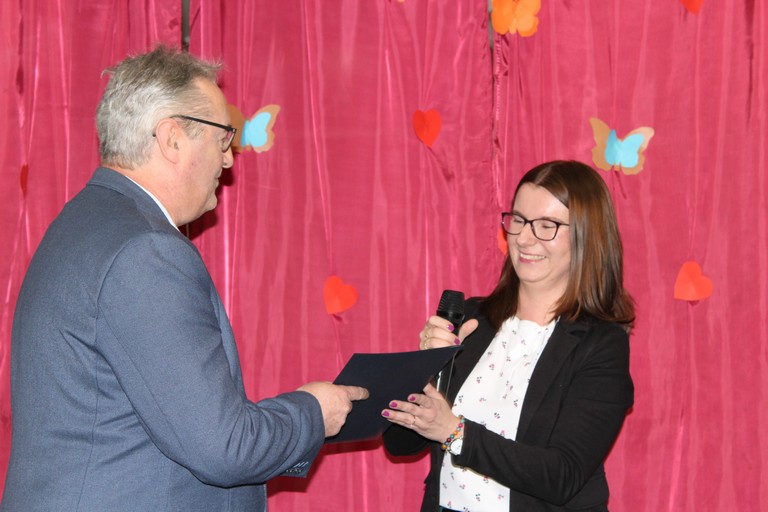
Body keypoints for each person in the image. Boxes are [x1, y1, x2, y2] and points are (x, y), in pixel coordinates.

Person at [1, 46, 367, 512]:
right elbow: (224, 447)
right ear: (172, 138)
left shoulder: (82, 224)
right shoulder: (144, 250)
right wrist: (311, 412)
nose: (228, 160)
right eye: (222, 138)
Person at [382, 160, 634, 511]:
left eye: (546, 225)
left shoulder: (600, 345)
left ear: (586, 236)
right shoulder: (472, 318)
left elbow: (562, 476)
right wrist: (425, 367)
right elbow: (399, 444)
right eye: (518, 220)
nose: (524, 239)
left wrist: (455, 433)